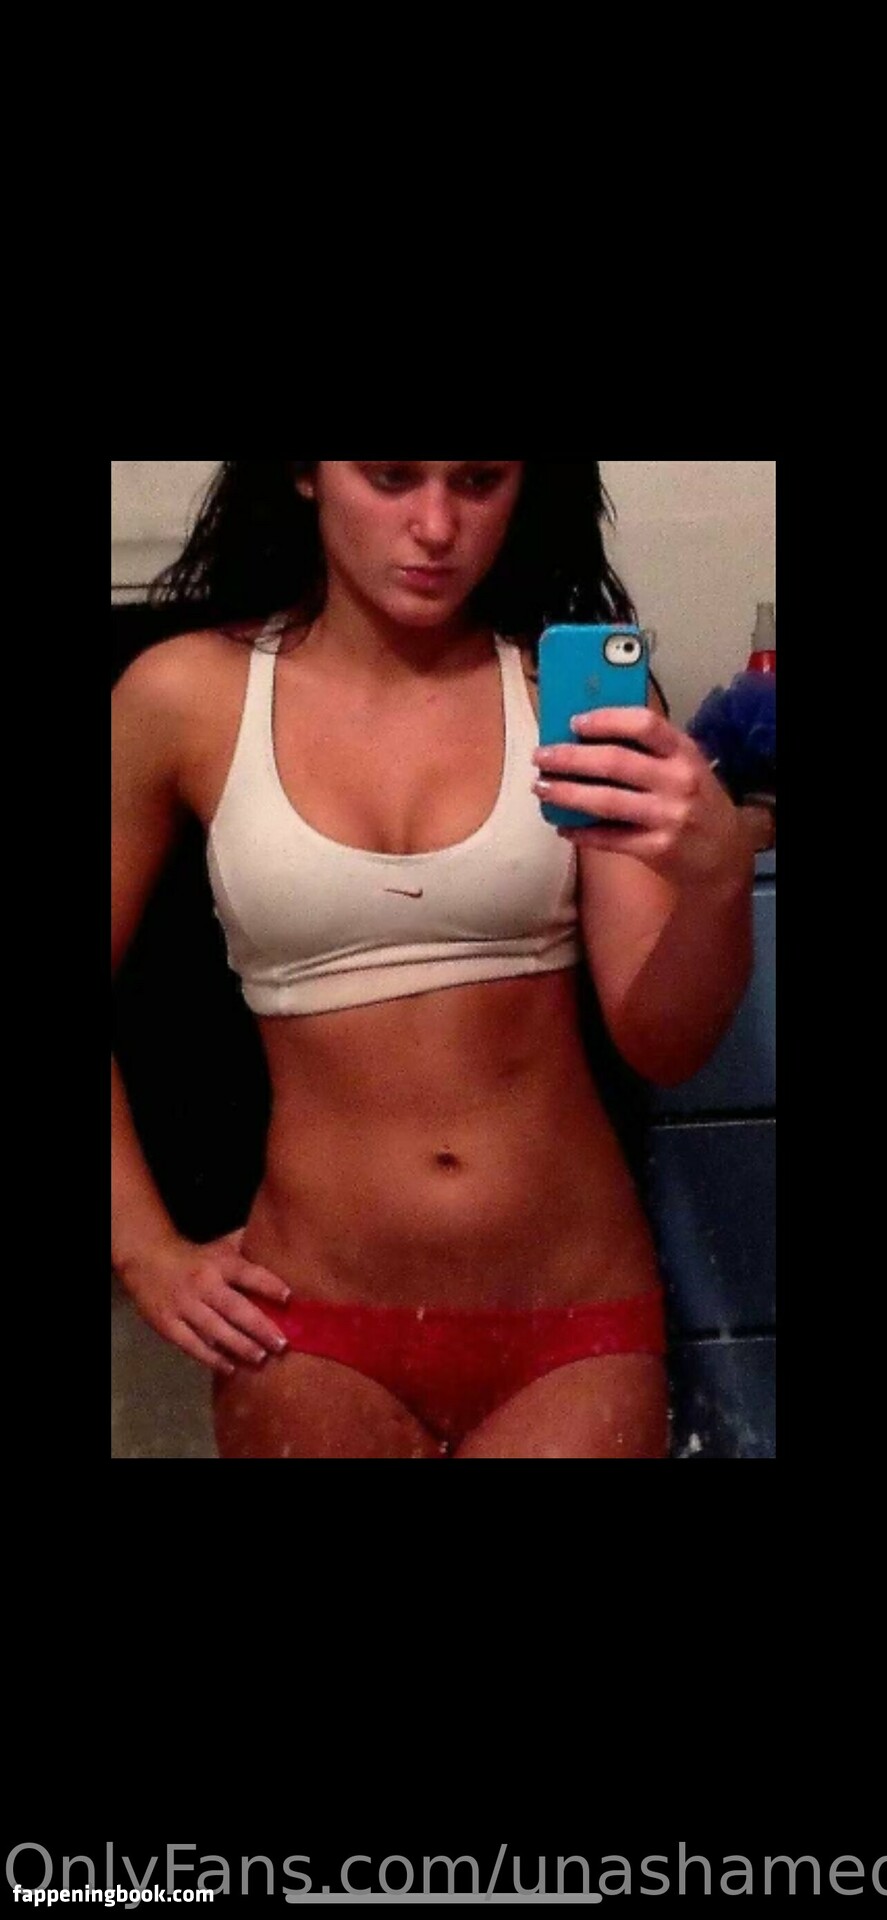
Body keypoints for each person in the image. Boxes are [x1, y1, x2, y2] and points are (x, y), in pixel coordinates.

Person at [112, 460, 755, 1460]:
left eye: (479, 481)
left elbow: (661, 1044)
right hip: (310, 1323)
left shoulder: (563, 696)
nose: (436, 525)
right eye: (391, 475)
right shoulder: (184, 693)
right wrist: (143, 1249)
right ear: (305, 473)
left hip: (570, 1320)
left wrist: (715, 883)